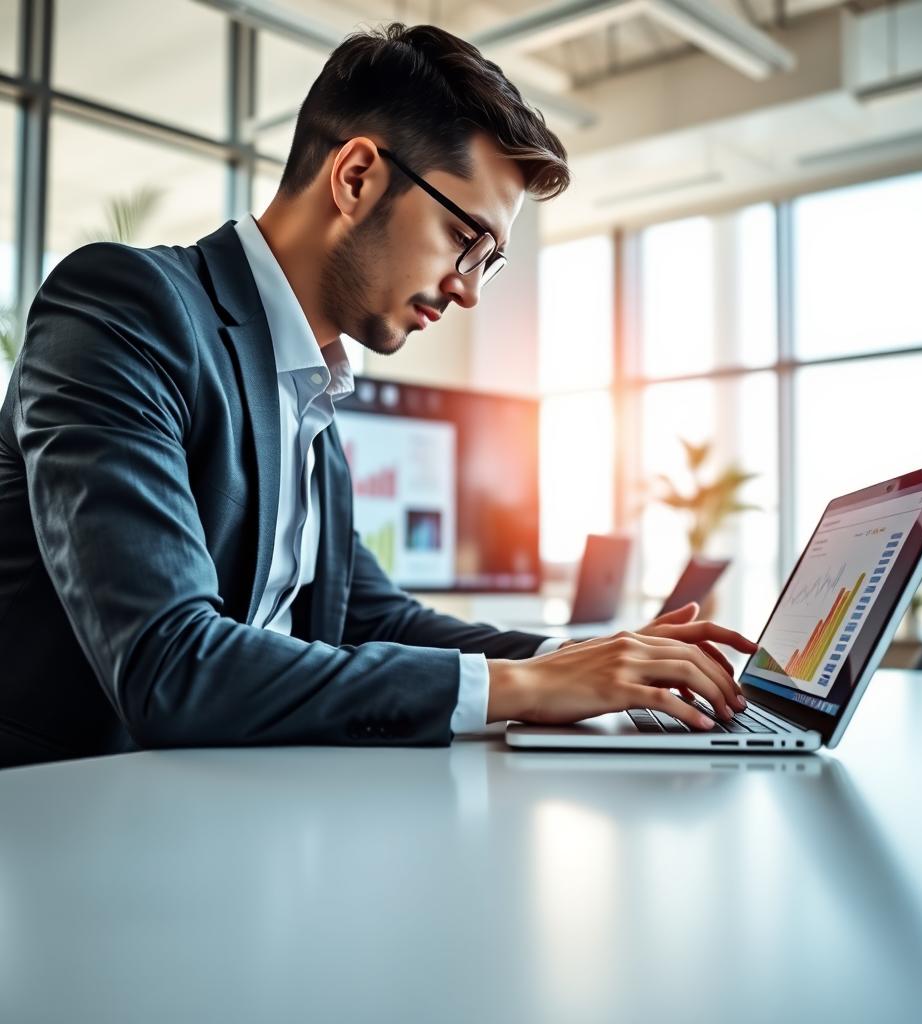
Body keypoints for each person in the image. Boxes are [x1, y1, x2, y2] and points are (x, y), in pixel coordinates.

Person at [0, 23, 755, 768]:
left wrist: (588, 659)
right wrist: (522, 686)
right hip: (58, 826)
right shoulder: (127, 308)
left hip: (214, 813)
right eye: (464, 238)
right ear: (356, 176)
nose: (469, 290)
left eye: (489, 262)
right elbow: (169, 664)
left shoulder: (309, 395)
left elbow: (373, 616)